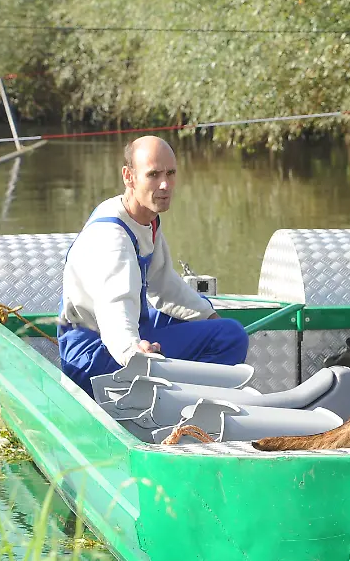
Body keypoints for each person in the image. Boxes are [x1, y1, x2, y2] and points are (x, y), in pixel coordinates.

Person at [58, 136, 248, 396]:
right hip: (92, 358)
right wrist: (133, 351)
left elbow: (163, 285)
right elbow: (115, 305)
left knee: (190, 312)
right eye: (153, 174)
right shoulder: (113, 238)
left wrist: (208, 314)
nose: (165, 184)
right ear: (129, 176)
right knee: (231, 336)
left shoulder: (143, 218)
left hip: (114, 338)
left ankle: (168, 394)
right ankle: (178, 408)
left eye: (171, 173)